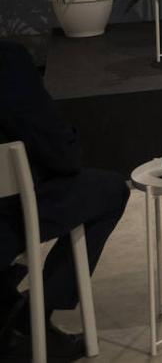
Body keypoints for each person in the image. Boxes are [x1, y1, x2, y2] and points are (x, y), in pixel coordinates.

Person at [0, 42, 129, 361]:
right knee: (110, 190)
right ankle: (31, 315)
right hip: (8, 218)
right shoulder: (6, 61)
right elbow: (56, 149)